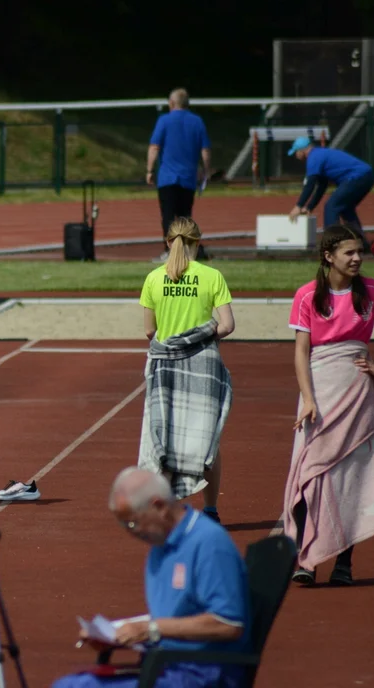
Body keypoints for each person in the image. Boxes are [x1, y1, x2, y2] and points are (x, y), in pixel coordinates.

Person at [51, 467, 251, 688]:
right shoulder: (160, 546)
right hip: (166, 667)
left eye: (133, 522)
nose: (131, 532)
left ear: (159, 507)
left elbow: (229, 623)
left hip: (203, 673)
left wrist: (150, 630)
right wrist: (116, 632)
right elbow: (169, 616)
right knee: (72, 684)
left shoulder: (209, 544)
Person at [284, 224, 374, 587]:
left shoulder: (373, 290)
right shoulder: (307, 295)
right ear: (329, 256)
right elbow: (301, 351)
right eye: (349, 252)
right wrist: (309, 398)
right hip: (319, 392)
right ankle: (306, 559)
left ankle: (344, 563)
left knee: (352, 477)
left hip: (357, 392)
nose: (357, 258)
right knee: (308, 473)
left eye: (359, 252)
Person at [137, 217, 234, 523]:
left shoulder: (153, 278)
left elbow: (150, 332)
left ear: (168, 242)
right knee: (206, 440)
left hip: (165, 367)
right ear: (198, 241)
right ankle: (211, 510)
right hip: (203, 365)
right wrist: (198, 339)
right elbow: (228, 325)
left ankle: (163, 508)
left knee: (163, 438)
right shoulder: (212, 276)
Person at [146, 88, 211, 261]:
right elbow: (205, 150)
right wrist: (205, 171)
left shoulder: (164, 121)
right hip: (188, 178)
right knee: (185, 216)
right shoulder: (197, 122)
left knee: (168, 216)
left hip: (167, 177)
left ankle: (170, 252)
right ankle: (188, 252)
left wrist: (149, 170)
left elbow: (154, 147)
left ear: (172, 103)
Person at [286, 137, 374, 249]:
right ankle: (361, 245)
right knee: (346, 209)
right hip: (367, 175)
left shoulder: (313, 157)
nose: (296, 156)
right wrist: (309, 207)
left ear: (301, 151)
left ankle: (331, 244)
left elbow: (310, 184)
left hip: (357, 177)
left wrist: (298, 206)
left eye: (296, 153)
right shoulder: (320, 153)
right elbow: (321, 186)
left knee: (331, 207)